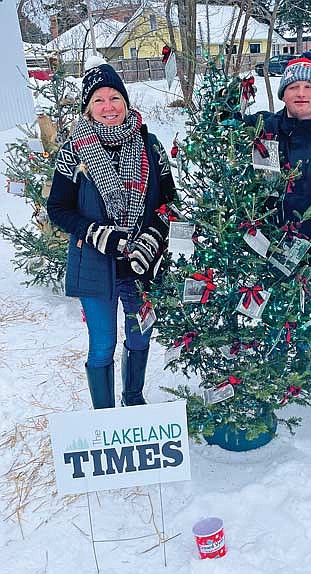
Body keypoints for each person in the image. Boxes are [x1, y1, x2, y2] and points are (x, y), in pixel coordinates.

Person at [47, 57, 176, 409]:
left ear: (126, 102)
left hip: (141, 267)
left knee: (140, 336)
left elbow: (171, 202)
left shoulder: (151, 147)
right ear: (88, 108)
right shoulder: (73, 151)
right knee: (103, 344)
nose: (108, 107)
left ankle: (133, 398)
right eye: (98, 100)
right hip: (95, 264)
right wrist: (98, 234)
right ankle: (104, 416)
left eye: (114, 98)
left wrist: (152, 237)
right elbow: (57, 209)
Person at [243, 52, 311, 267]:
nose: (301, 93)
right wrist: (226, 99)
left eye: (309, 87)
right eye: (293, 87)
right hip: (264, 252)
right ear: (283, 94)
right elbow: (222, 125)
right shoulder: (262, 129)